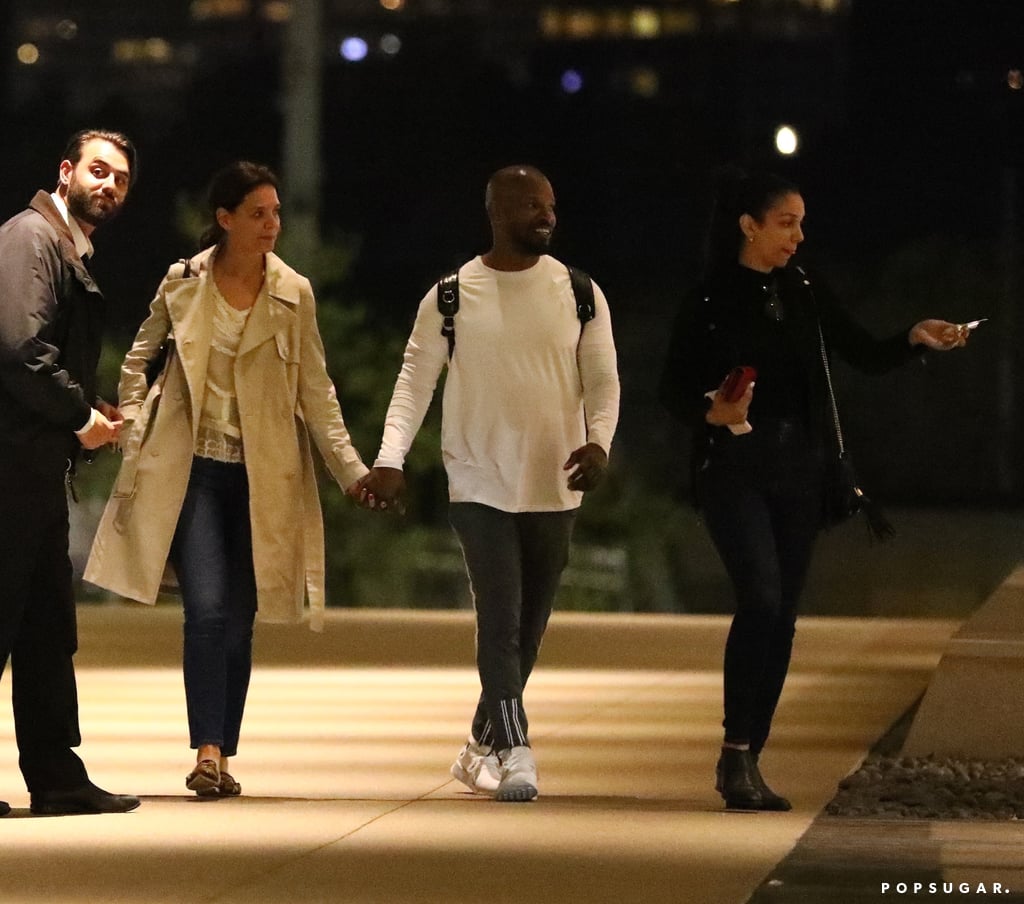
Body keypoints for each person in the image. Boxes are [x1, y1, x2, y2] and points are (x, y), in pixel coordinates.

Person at [659, 168, 970, 812]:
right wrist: (710, 410)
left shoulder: (802, 287)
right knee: (762, 599)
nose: (799, 236)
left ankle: (747, 757)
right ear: (749, 225)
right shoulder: (710, 297)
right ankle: (735, 748)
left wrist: (914, 338)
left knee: (785, 614)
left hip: (799, 468)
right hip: (733, 465)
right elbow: (672, 389)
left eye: (801, 222)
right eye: (786, 222)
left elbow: (860, 351)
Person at [85, 161, 368, 797]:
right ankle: (207, 752)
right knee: (207, 609)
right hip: (194, 471)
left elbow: (316, 393)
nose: (273, 225)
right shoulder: (183, 281)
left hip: (264, 477)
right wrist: (134, 431)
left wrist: (352, 472)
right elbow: (139, 359)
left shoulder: (294, 294)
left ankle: (223, 751)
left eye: (275, 213)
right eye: (258, 214)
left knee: (241, 615)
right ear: (226, 220)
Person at [357, 165, 620, 802]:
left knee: (529, 625)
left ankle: (479, 746)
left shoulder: (580, 292)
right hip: (477, 478)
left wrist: (599, 443)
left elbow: (604, 383)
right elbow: (413, 384)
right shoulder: (450, 296)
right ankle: (517, 748)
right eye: (533, 206)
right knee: (499, 617)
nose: (548, 216)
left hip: (555, 482)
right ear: (498, 212)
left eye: (551, 205)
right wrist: (390, 457)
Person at [0, 129, 141, 816]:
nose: (108, 184)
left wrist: (86, 413)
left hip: (31, 463)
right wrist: (82, 416)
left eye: (119, 178)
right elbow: (18, 346)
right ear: (66, 171)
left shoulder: (62, 246)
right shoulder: (32, 238)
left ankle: (57, 776)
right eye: (97, 170)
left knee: (45, 627)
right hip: (10, 466)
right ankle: (56, 774)